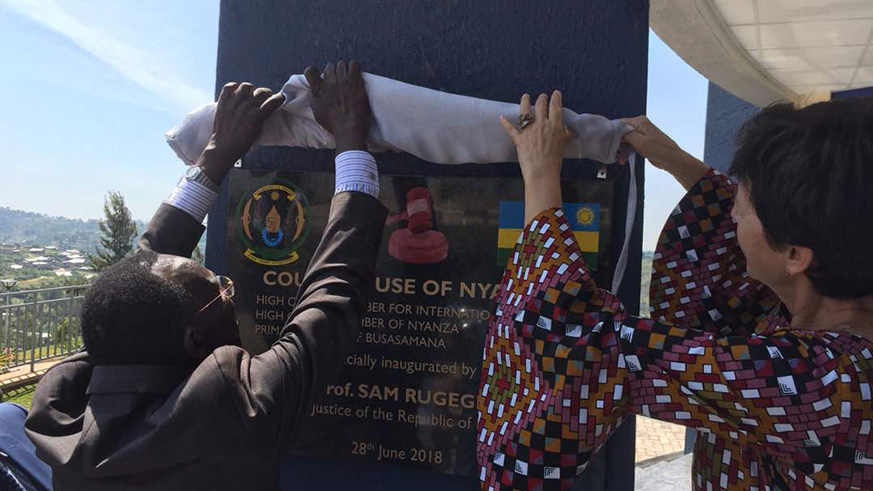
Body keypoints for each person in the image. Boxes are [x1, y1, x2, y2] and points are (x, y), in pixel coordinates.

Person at [477, 92, 873, 490]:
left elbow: (593, 347)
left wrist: (541, 171)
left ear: (795, 254)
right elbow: (735, 228)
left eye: (746, 204)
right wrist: (675, 160)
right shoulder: (816, 316)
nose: (733, 212)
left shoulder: (824, 384)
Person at [24, 61, 387, 490]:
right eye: (223, 292)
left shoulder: (61, 411)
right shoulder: (234, 412)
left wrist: (216, 154)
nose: (229, 291)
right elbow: (332, 296)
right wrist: (351, 142)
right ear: (194, 340)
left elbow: (138, 280)